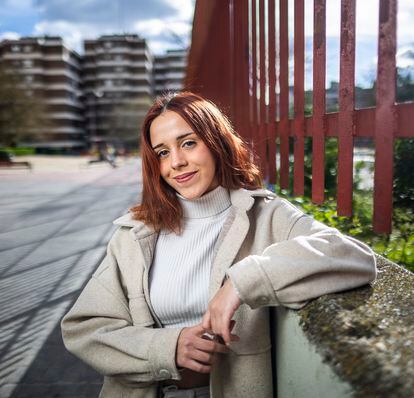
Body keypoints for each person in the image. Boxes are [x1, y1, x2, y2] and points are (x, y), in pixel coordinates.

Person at [61, 92, 377, 398]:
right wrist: (167, 347)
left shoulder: (264, 215)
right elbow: (84, 329)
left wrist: (241, 283)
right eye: (163, 152)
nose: (177, 162)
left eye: (188, 143)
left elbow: (353, 256)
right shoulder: (134, 233)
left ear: (216, 143)